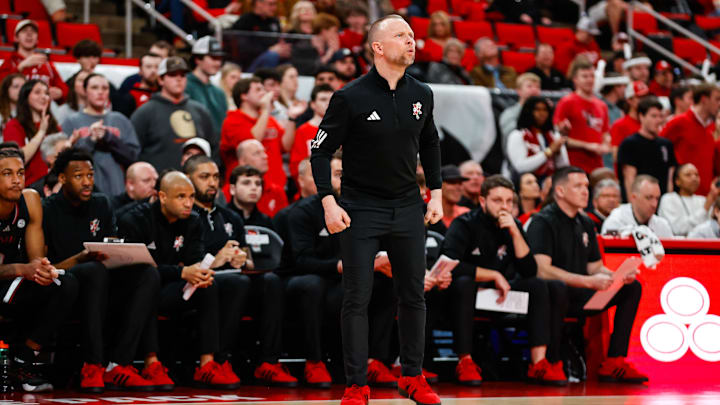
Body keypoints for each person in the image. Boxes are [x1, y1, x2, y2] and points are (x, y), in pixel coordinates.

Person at [310, 14, 443, 405]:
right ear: (378, 47)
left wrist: (435, 193)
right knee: (357, 297)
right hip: (360, 207)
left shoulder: (422, 93)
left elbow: (431, 144)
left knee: (413, 295)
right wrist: (328, 201)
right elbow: (319, 150)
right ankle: (355, 385)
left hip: (406, 204)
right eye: (402, 35)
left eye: (413, 35)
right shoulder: (350, 96)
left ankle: (413, 377)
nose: (411, 40)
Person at [42, 147, 172, 392]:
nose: (87, 182)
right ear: (62, 179)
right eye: (79, 176)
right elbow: (46, 266)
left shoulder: (102, 203)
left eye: (90, 175)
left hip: (101, 281)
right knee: (94, 270)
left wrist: (124, 254)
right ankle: (93, 364)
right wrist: (80, 259)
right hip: (63, 283)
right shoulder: (47, 209)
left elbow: (111, 242)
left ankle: (118, 364)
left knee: (147, 273)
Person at [117, 171, 245, 389]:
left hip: (171, 287)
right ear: (162, 197)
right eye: (181, 197)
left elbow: (193, 261)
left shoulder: (193, 221)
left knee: (207, 284)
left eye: (191, 196)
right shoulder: (135, 219)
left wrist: (198, 273)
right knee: (150, 279)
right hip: (135, 290)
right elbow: (138, 268)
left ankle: (207, 364)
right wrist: (181, 272)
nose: (188, 203)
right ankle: (151, 364)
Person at [441, 175, 568, 385]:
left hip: (501, 293)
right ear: (482, 201)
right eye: (498, 200)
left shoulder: (514, 225)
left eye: (509, 201)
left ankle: (538, 363)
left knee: (538, 285)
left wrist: (515, 234)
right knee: (464, 283)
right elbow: (451, 263)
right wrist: (493, 274)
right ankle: (465, 361)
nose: (504, 206)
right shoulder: (464, 224)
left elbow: (529, 271)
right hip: (467, 291)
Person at [183, 155, 298, 386]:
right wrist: (216, 259)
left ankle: (269, 362)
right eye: (204, 177)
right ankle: (218, 360)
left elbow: (243, 257)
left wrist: (241, 259)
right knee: (237, 284)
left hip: (232, 282)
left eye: (216, 177)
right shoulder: (185, 216)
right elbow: (184, 261)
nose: (212, 183)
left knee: (272, 282)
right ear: (188, 180)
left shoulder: (231, 218)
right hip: (199, 283)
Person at [527, 166, 649, 383]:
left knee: (632, 287)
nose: (585, 191)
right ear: (561, 191)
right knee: (557, 287)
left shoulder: (585, 222)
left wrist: (616, 276)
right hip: (551, 297)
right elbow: (542, 269)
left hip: (582, 294)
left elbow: (595, 267)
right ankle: (550, 362)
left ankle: (614, 361)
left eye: (586, 186)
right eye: (578, 186)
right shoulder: (542, 221)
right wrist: (588, 281)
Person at [0, 148, 77, 392]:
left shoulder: (30, 200)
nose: (16, 180)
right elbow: (25, 267)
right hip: (9, 277)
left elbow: (36, 259)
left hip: (13, 280)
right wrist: (24, 269)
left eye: (21, 173)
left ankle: (24, 360)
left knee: (65, 283)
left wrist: (42, 269)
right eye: (7, 173)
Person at [131, 57, 217, 173]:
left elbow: (213, 147)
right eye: (172, 75)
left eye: (182, 75)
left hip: (195, 182)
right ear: (160, 79)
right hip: (159, 183)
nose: (178, 79)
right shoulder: (145, 112)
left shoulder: (200, 111)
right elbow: (133, 152)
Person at [61, 74, 141, 197]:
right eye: (94, 88)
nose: (100, 92)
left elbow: (133, 156)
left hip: (117, 191)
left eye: (104, 88)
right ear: (84, 91)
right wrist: (90, 140)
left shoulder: (120, 120)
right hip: (81, 193)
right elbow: (64, 161)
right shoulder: (71, 122)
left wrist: (109, 138)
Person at [221, 77, 294, 194]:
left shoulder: (268, 119)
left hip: (275, 187)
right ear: (244, 96)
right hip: (246, 188)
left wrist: (291, 118)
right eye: (258, 90)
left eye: (263, 90)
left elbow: (286, 146)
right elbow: (253, 143)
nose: (264, 93)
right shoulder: (233, 120)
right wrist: (265, 110)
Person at [660, 83, 720, 195]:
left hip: (708, 196)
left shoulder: (713, 127)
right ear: (704, 99)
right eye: (717, 99)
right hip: (682, 196)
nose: (719, 104)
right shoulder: (678, 122)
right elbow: (660, 150)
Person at [553, 58, 610, 174]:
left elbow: (605, 133)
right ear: (575, 79)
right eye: (585, 76)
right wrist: (587, 146)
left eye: (592, 76)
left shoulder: (602, 105)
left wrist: (605, 145)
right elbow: (558, 138)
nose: (589, 80)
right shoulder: (567, 102)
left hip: (597, 165)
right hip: (573, 165)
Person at [617, 97, 676, 200]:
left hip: (661, 203)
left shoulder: (666, 145)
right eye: (653, 116)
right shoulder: (630, 143)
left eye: (660, 116)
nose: (658, 120)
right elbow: (629, 179)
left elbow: (669, 180)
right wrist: (632, 206)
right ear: (641, 116)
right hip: (640, 203)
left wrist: (668, 203)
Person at [3, 80, 59, 186]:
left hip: (54, 185)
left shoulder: (54, 125)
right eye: (37, 92)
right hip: (28, 186)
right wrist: (41, 132)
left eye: (46, 93)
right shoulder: (14, 125)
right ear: (25, 96)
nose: (43, 97)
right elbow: (16, 160)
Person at [0, 20, 68, 103]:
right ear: (16, 38)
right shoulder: (10, 62)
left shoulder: (46, 64)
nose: (29, 34)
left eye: (33, 32)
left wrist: (60, 93)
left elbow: (64, 89)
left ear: (37, 40)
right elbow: (2, 87)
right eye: (24, 31)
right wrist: (20, 67)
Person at [507, 96, 570, 181]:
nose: (542, 113)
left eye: (545, 110)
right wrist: (549, 151)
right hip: (524, 184)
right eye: (537, 109)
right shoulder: (517, 135)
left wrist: (558, 153)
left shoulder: (553, 135)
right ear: (528, 111)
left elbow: (563, 166)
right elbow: (520, 167)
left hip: (550, 182)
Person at [602, 175, 673, 237]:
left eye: (657, 198)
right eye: (649, 198)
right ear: (633, 197)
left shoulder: (662, 225)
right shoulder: (616, 221)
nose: (654, 204)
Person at [658, 163, 717, 237]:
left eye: (696, 175)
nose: (694, 178)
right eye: (688, 175)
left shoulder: (703, 200)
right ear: (677, 181)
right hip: (676, 246)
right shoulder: (669, 199)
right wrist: (705, 208)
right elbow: (676, 229)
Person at [290, 84, 333, 183]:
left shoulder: (344, 128)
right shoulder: (303, 131)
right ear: (313, 104)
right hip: (313, 183)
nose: (328, 103)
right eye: (323, 99)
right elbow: (296, 166)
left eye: (331, 99)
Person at [186, 36, 228, 137]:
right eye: (213, 58)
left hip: (216, 148)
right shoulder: (184, 85)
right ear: (198, 59)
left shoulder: (219, 92)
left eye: (219, 59)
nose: (218, 63)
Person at [610, 81, 649, 157]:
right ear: (629, 100)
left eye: (646, 97)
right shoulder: (620, 125)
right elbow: (616, 155)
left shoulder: (650, 123)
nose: (645, 100)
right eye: (640, 97)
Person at [500, 73, 543, 143]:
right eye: (529, 86)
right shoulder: (509, 113)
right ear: (519, 91)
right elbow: (510, 136)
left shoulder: (544, 113)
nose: (534, 90)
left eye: (537, 87)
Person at [428, 165, 470, 235]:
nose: (458, 187)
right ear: (438, 185)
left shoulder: (466, 214)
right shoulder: (427, 213)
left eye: (460, 183)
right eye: (452, 182)